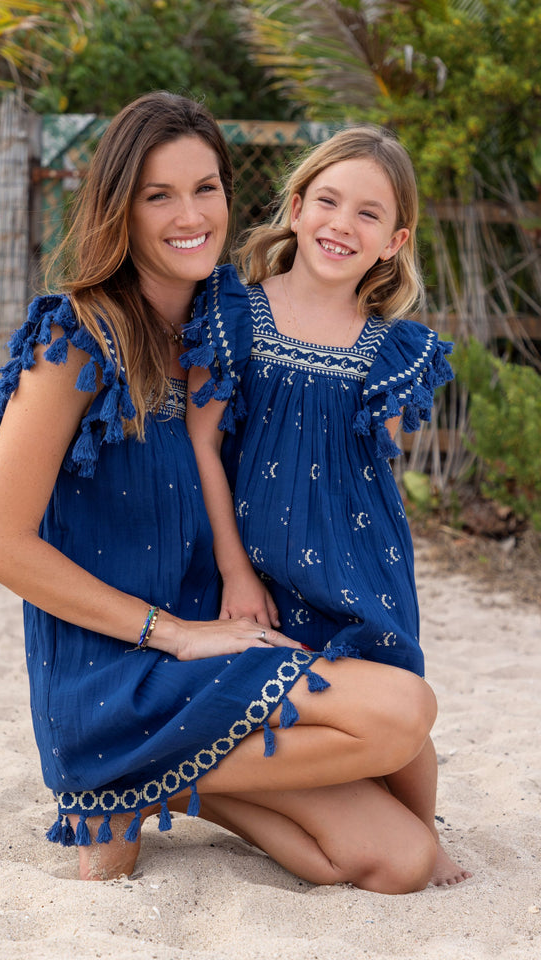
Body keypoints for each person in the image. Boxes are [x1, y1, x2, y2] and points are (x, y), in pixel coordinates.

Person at [0, 93, 438, 893]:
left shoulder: (229, 324)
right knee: (399, 712)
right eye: (159, 195)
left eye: (206, 188)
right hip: (120, 671)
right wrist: (177, 635)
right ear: (121, 207)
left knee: (402, 861)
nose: (190, 215)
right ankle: (109, 764)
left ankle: (142, 784)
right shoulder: (74, 338)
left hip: (216, 654)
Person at [184, 125, 471, 885]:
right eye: (329, 201)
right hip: (259, 572)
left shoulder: (392, 350)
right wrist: (235, 571)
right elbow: (203, 444)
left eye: (369, 214)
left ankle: (419, 829)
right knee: (326, 715)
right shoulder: (235, 314)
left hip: (360, 567)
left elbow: (375, 464)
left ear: (394, 242)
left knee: (400, 708)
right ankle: (193, 781)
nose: (343, 224)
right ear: (297, 206)